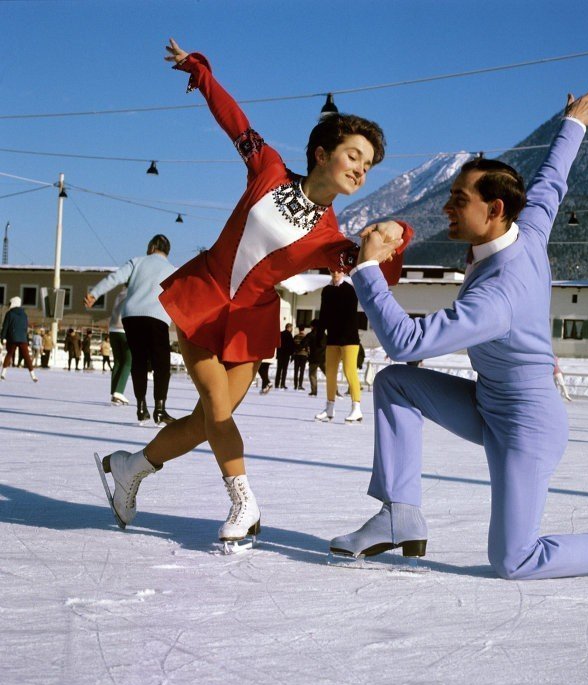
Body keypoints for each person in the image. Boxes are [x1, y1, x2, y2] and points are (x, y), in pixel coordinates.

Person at [330, 86, 588, 580]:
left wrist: (368, 271)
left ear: (494, 211)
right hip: (487, 403)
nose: (446, 207)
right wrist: (572, 124)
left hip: (526, 429)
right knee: (396, 384)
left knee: (514, 560)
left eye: (458, 200)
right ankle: (399, 514)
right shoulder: (527, 229)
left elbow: (405, 343)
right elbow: (551, 182)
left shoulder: (500, 295)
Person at [96, 38, 412, 552]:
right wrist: (199, 72)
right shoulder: (267, 169)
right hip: (203, 297)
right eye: (354, 155)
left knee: (206, 421)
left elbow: (380, 271)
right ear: (321, 153)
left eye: (369, 164)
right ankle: (245, 503)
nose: (361, 168)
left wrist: (397, 233)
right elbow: (234, 120)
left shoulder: (332, 240)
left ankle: (130, 467)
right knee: (218, 408)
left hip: (251, 322)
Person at [85, 234, 178, 423]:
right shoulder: (171, 270)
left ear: (151, 247)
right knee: (161, 364)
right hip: (157, 318)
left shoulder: (137, 262)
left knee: (139, 361)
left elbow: (115, 278)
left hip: (131, 316)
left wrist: (94, 294)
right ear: (167, 251)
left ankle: (141, 406)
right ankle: (159, 409)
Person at [315, 268, 364, 423]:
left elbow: (349, 316)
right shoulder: (327, 290)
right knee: (330, 373)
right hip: (333, 339)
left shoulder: (350, 290)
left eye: (338, 271)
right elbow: (323, 313)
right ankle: (329, 408)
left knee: (350, 371)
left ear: (343, 273)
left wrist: (343, 336)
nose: (335, 273)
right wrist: (319, 334)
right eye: (333, 271)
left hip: (349, 339)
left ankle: (356, 408)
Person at [0, 297, 38, 382]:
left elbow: (5, 326)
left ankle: (3, 373)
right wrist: (25, 338)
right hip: (22, 338)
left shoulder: (9, 313)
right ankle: (33, 376)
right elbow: (25, 328)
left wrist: (2, 337)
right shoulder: (24, 314)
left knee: (9, 354)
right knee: (27, 356)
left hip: (12, 338)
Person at [106, 286, 132, 405]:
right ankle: (119, 391)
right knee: (128, 361)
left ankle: (114, 392)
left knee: (118, 361)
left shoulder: (120, 294)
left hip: (113, 329)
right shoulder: (134, 292)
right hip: (126, 330)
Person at [304, 318, 326, 396]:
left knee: (312, 375)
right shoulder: (324, 335)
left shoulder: (310, 335)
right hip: (323, 358)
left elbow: (303, 343)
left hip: (314, 358)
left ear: (313, 326)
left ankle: (314, 391)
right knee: (329, 375)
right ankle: (335, 391)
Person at [274, 323, 294, 389]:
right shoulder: (289, 335)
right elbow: (291, 345)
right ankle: (282, 384)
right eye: (291, 328)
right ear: (289, 328)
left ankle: (276, 384)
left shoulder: (280, 334)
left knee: (279, 369)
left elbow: (277, 343)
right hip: (286, 355)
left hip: (280, 354)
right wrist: (291, 354)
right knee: (284, 370)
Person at [292, 326, 309, 390]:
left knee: (296, 371)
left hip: (296, 355)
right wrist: (307, 353)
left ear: (299, 329)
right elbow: (308, 346)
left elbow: (293, 345)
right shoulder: (306, 337)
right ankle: (300, 385)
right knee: (302, 371)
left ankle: (295, 385)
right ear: (303, 329)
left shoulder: (295, 336)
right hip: (303, 355)